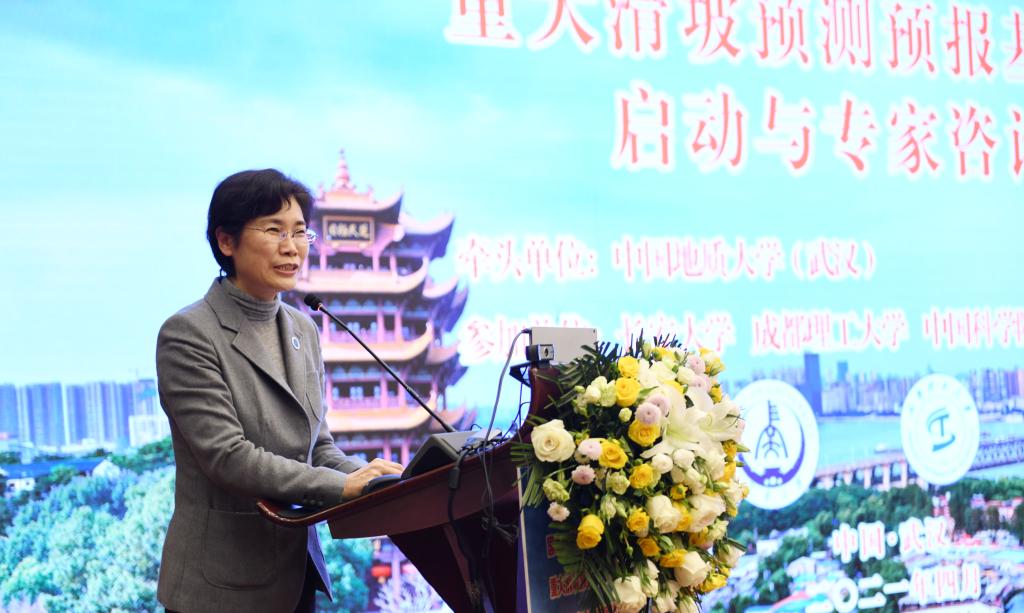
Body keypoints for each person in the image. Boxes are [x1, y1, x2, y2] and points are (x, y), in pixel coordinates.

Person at [155, 169, 403, 613]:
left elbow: (318, 447)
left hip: (295, 573)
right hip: (220, 586)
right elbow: (228, 457)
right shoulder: (188, 334)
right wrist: (342, 487)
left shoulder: (303, 328)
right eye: (274, 231)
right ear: (226, 241)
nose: (292, 247)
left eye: (300, 231)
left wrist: (377, 481)